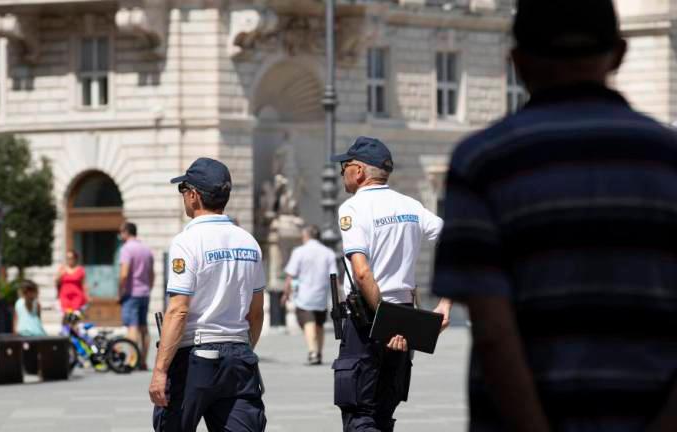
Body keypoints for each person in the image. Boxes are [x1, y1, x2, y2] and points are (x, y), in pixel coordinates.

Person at [431, 1, 677, 431]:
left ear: (518, 62)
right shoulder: (666, 158)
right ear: (618, 54)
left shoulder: (483, 162)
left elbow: (491, 330)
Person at [331, 136, 450, 431]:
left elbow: (361, 272)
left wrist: (383, 317)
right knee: (385, 411)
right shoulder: (411, 206)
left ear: (358, 171)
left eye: (344, 167)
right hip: (406, 318)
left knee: (360, 412)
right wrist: (446, 301)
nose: (341, 173)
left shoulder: (353, 208)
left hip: (369, 317)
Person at [149, 157, 266, 432]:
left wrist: (160, 370)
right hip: (239, 354)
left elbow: (178, 310)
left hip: (196, 356)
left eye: (183, 191)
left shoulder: (187, 242)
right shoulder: (248, 242)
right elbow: (256, 312)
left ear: (193, 195)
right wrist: (242, 348)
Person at [281, 224, 337, 365]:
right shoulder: (328, 252)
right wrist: (337, 297)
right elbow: (334, 276)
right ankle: (318, 352)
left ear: (306, 236)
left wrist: (286, 293)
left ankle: (312, 352)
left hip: (305, 296)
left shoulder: (299, 252)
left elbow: (290, 275)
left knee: (308, 323)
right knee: (319, 324)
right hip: (322, 296)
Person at [118, 221, 154, 371]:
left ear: (126, 232)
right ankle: (143, 361)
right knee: (143, 328)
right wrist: (148, 288)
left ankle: (132, 360)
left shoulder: (127, 249)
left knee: (132, 328)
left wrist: (120, 291)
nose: (120, 235)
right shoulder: (146, 249)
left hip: (131, 293)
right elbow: (152, 274)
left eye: (121, 232)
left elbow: (124, 273)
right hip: (144, 293)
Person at [55, 250, 88, 314]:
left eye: (71, 258)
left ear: (75, 259)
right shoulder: (62, 269)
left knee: (75, 316)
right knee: (66, 315)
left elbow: (84, 284)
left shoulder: (80, 270)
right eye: (67, 258)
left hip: (77, 296)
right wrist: (60, 275)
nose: (69, 260)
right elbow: (56, 282)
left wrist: (87, 296)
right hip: (65, 296)